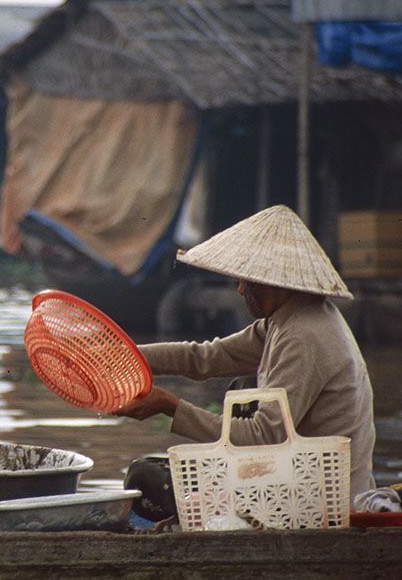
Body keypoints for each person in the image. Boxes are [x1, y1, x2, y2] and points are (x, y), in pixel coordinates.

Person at [118, 205, 376, 514]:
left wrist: (169, 406)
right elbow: (206, 358)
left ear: (269, 281)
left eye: (245, 280)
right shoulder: (288, 320)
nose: (240, 290)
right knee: (239, 390)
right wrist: (126, 356)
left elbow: (262, 436)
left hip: (322, 500)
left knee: (148, 479)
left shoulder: (303, 336)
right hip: (299, 481)